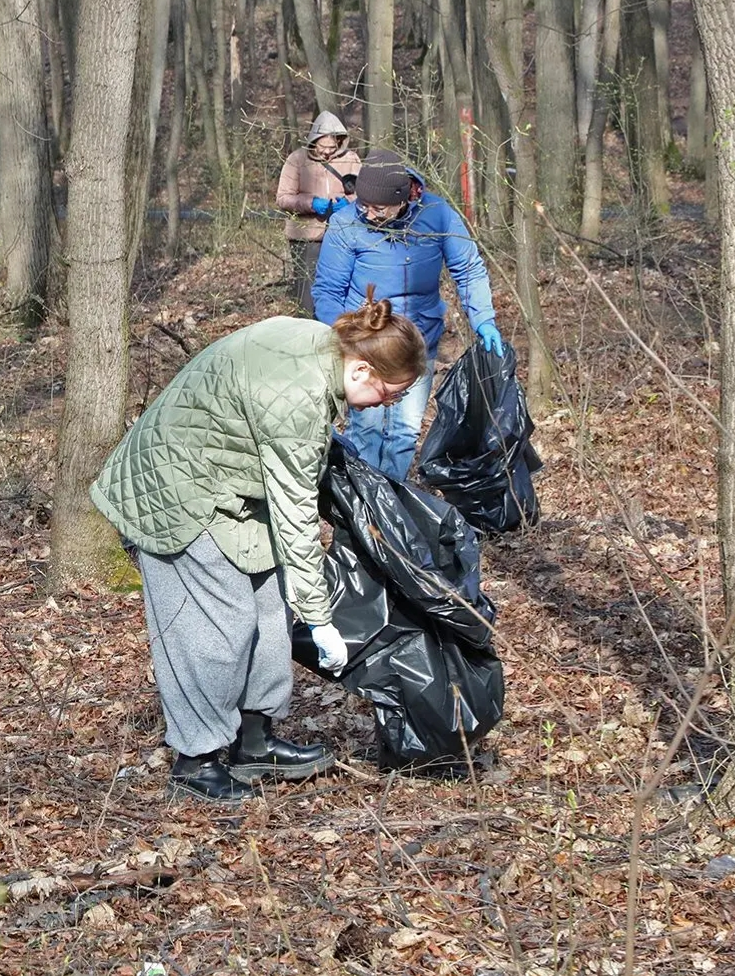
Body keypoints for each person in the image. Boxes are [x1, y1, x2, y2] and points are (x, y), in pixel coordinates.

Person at [91, 293, 429, 803]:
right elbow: (295, 515)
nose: (388, 405)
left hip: (232, 486)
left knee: (270, 611)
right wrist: (320, 618)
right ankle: (197, 762)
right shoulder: (298, 397)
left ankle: (255, 741)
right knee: (214, 629)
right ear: (361, 369)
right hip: (176, 491)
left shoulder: (322, 347)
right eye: (389, 393)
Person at [312, 149, 503, 482]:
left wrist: (483, 318)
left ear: (402, 199)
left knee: (404, 431)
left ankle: (392, 495)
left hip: (419, 341)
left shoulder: (437, 215)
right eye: (363, 204)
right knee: (366, 431)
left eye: (378, 208)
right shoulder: (346, 223)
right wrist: (344, 342)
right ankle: (364, 498)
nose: (368, 213)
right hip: (367, 346)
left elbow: (468, 268)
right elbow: (328, 291)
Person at [275, 111, 361, 314]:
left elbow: (364, 194)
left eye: (332, 147)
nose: (327, 152)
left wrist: (348, 203)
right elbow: (283, 198)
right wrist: (311, 203)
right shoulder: (297, 160)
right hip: (306, 237)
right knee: (307, 293)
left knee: (340, 290)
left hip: (342, 234)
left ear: (339, 141)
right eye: (323, 147)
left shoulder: (351, 159)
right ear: (314, 141)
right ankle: (308, 328)